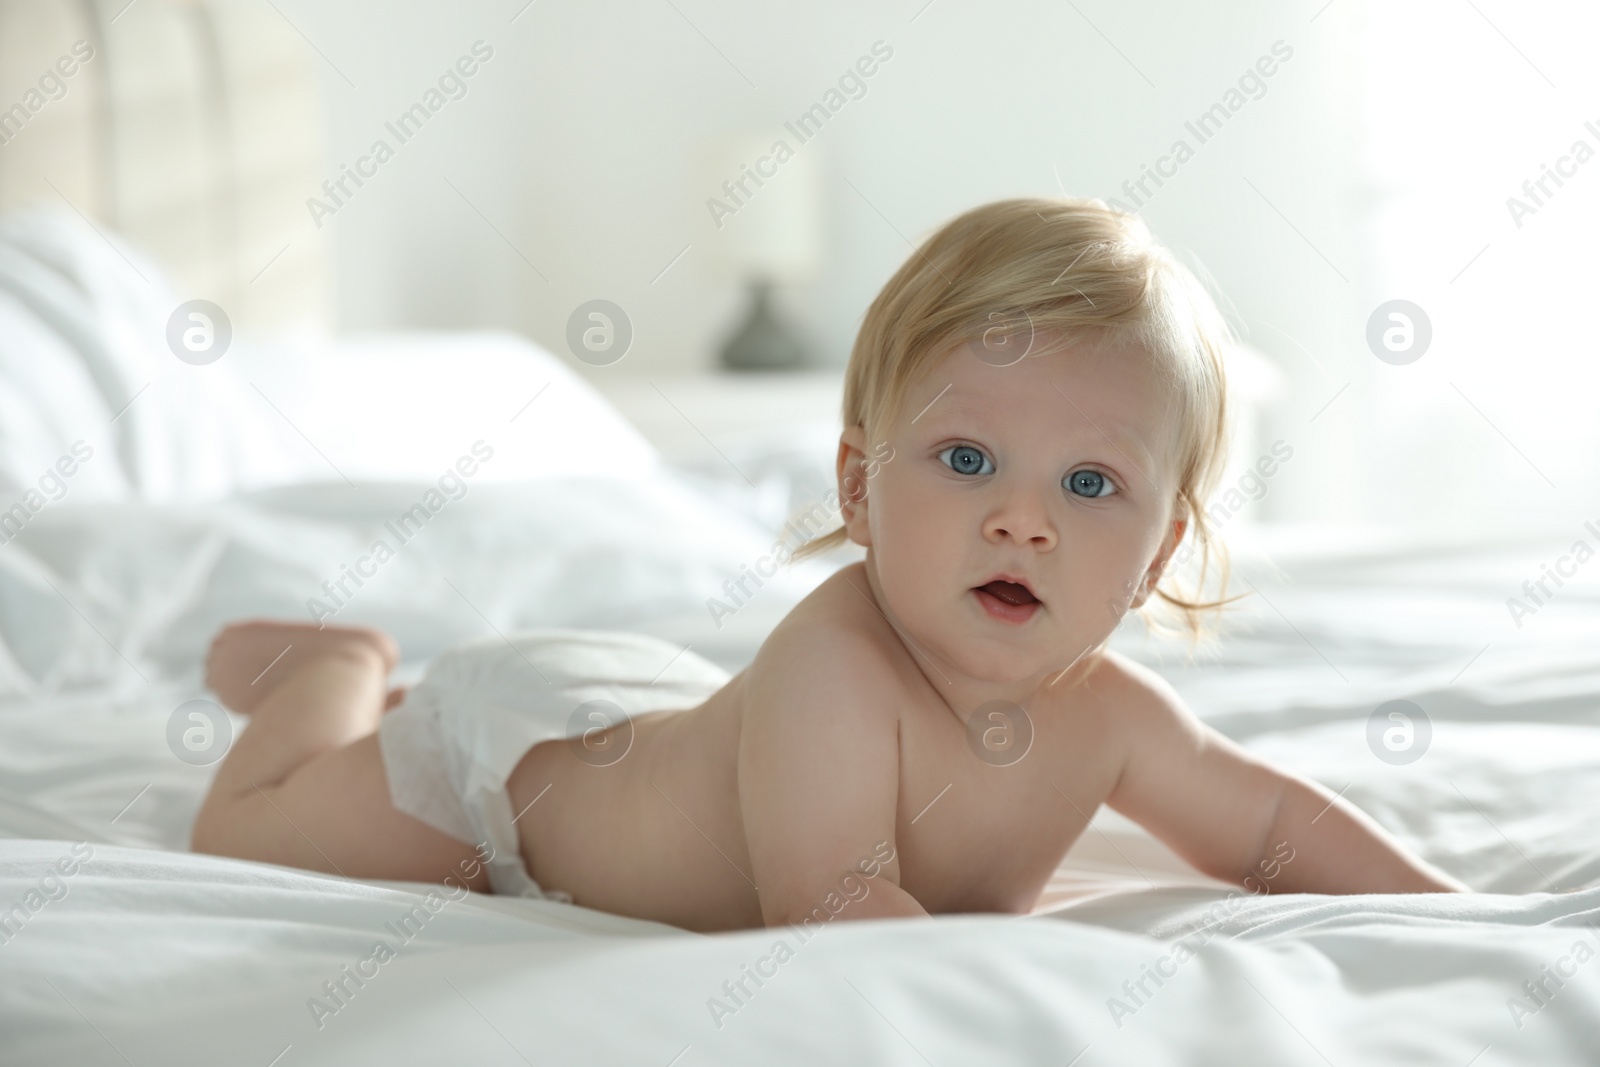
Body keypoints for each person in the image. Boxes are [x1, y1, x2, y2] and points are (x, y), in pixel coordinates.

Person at [191, 197, 1467, 933]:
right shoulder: (834, 668)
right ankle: (328, 673)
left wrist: (1445, 909)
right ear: (860, 486)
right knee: (244, 832)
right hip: (508, 783)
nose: (1023, 521)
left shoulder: (1109, 714)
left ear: (1156, 554)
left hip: (650, 706)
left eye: (1088, 485)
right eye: (966, 459)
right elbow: (838, 904)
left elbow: (1263, 821)